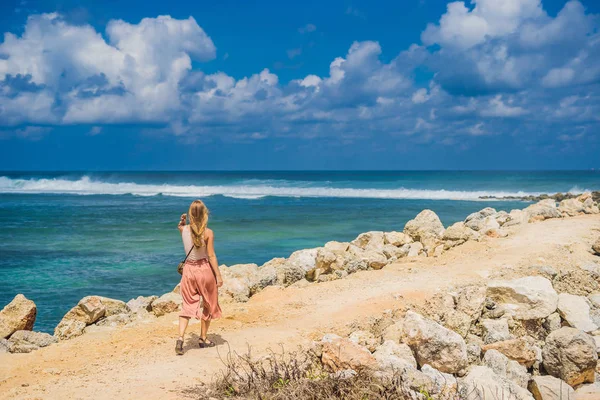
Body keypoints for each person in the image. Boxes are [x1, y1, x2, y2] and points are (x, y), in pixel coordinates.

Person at [175, 200, 223, 355]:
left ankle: (180, 338)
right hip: (204, 270)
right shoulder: (208, 233)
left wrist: (182, 222)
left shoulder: (184, 230)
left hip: (189, 270)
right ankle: (203, 338)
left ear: (190, 214)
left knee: (187, 305)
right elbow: (211, 255)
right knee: (208, 303)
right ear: (205, 213)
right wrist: (218, 275)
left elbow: (181, 227)